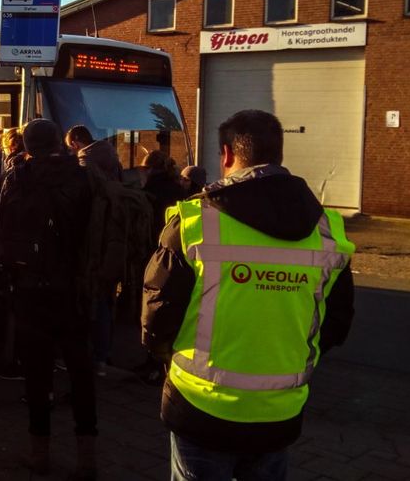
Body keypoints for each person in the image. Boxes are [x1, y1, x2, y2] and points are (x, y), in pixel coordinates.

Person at [143, 110, 355, 481]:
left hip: (199, 406)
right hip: (279, 411)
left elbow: (157, 313)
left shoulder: (194, 221)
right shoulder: (327, 231)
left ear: (226, 155)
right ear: (279, 155)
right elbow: (336, 322)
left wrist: (165, 358)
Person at [0, 119, 97, 479]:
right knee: (81, 372)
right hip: (71, 285)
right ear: (59, 142)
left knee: (36, 374)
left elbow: (4, 231)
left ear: (26, 145)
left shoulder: (15, 179)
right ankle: (88, 458)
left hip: (29, 287)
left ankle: (39, 454)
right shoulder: (83, 177)